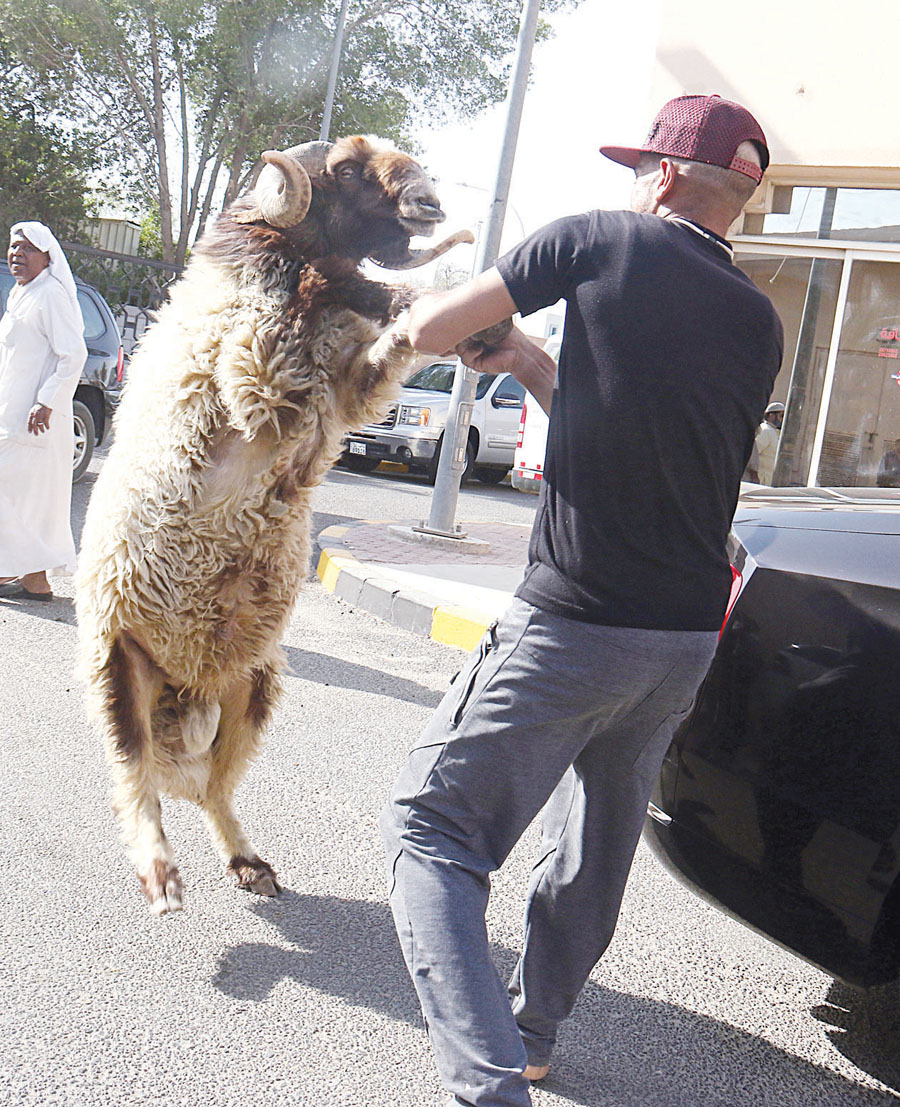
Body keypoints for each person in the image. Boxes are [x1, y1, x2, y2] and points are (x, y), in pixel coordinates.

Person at [380, 93, 783, 1107]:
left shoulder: (595, 240)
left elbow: (427, 328)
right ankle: (529, 1038)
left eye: (639, 167)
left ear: (663, 175)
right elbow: (623, 434)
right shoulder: (757, 319)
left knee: (432, 834)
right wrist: (525, 359)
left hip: (576, 622)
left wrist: (445, 308)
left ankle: (490, 1088)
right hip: (681, 640)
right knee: (593, 849)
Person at [0, 222, 87, 600]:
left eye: (27, 248)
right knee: (24, 498)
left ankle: (14, 572)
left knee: (18, 494)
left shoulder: (51, 294)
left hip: (38, 419)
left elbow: (74, 354)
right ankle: (33, 580)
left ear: (48, 257)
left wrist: (46, 400)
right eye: (13, 247)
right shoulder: (22, 293)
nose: (17, 254)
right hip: (12, 414)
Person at [755, 399, 784, 484]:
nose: (783, 419)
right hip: (760, 480)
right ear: (771, 416)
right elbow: (753, 454)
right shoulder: (765, 431)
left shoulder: (774, 432)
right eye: (781, 416)